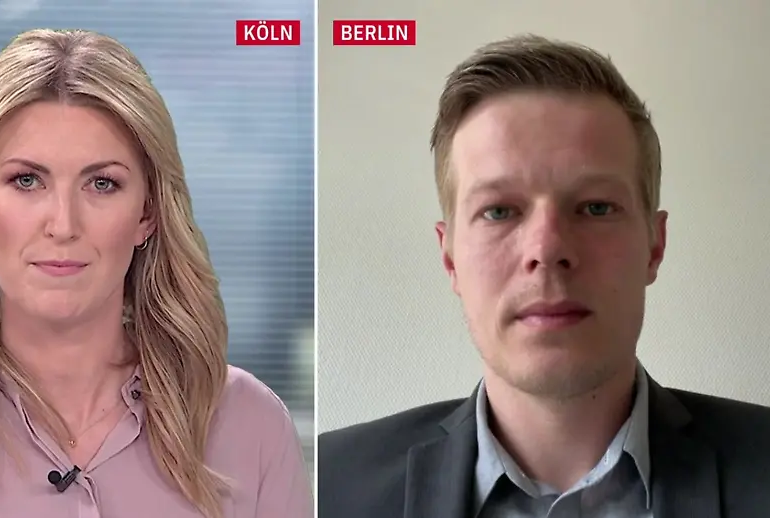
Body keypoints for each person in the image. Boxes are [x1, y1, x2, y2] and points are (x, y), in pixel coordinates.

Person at [0, 28, 312, 518]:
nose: (64, 225)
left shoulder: (251, 426)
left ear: (148, 213)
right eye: (27, 180)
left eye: (102, 184)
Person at [318, 34, 770, 517]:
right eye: (498, 211)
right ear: (450, 259)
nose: (547, 249)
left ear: (654, 246)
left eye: (596, 207)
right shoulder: (326, 487)